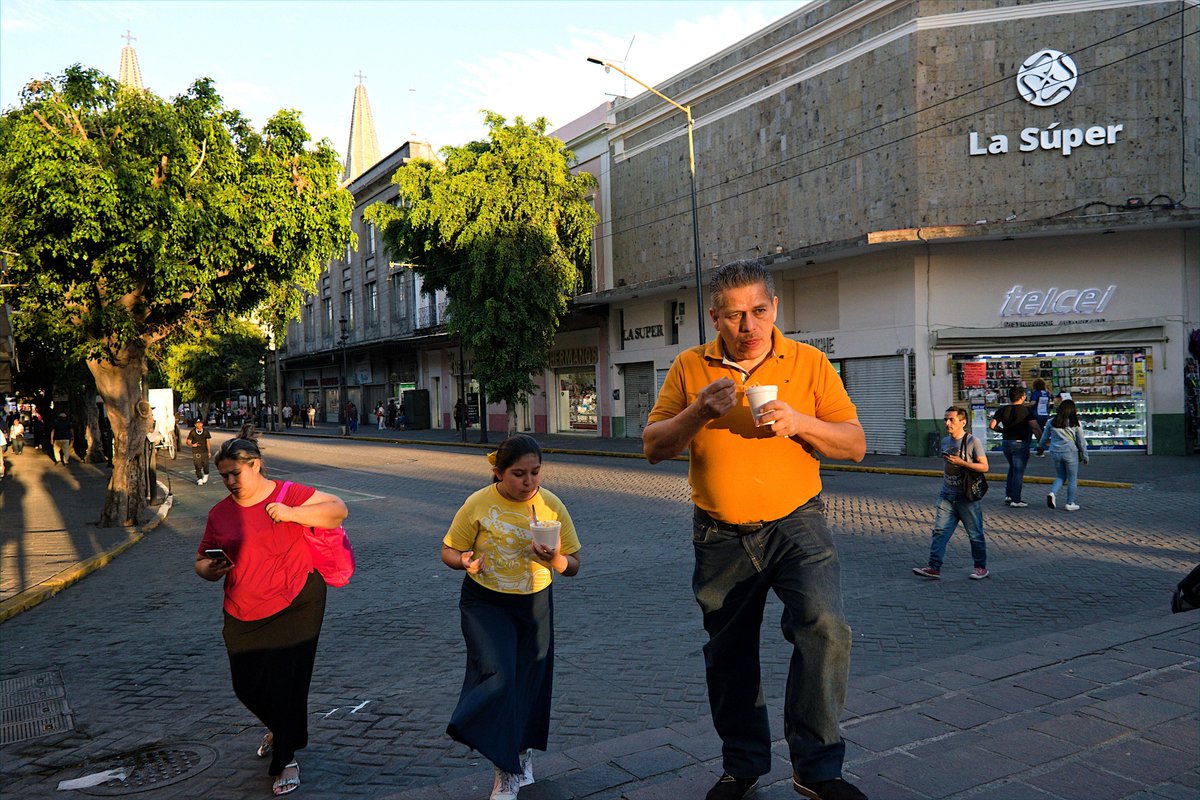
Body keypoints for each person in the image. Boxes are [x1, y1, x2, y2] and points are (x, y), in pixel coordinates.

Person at [642, 260, 868, 800]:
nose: (749, 327)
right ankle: (742, 766)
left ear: (775, 309)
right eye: (735, 315)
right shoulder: (688, 367)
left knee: (825, 627)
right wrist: (698, 412)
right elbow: (654, 447)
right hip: (720, 534)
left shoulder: (810, 363)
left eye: (759, 311)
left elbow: (854, 443)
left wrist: (801, 424)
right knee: (729, 653)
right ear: (715, 317)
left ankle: (817, 770)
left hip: (798, 523)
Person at [195, 437, 348, 797]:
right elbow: (200, 560)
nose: (231, 482)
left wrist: (293, 514)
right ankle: (283, 731)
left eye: (235, 473)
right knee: (246, 685)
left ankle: (286, 758)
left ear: (255, 465)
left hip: (298, 600)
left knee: (287, 684)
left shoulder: (288, 494)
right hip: (242, 607)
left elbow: (338, 509)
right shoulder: (219, 513)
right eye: (224, 476)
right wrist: (210, 570)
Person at [440, 434, 582, 800]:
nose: (529, 482)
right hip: (485, 602)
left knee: (529, 684)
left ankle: (520, 753)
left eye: (536, 472)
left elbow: (574, 566)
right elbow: (449, 551)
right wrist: (464, 561)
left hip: (534, 603)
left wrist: (554, 559)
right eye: (519, 474)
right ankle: (506, 770)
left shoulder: (551, 506)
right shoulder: (478, 503)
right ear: (498, 473)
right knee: (498, 676)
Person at [913, 406, 991, 580]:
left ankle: (980, 567)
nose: (947, 423)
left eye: (951, 420)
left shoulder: (972, 441)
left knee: (975, 534)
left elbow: (984, 467)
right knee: (940, 531)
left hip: (966, 497)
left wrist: (962, 462)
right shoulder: (945, 441)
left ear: (962, 422)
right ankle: (934, 567)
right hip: (947, 494)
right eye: (945, 419)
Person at [989, 387, 1041, 507]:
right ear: (1022, 397)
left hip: (1006, 442)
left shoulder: (1003, 409)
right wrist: (1041, 442)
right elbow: (1035, 427)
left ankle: (1008, 495)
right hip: (1020, 443)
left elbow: (992, 425)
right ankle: (1016, 499)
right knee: (1018, 471)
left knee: (1012, 468)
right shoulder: (1026, 411)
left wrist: (1002, 431)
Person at [1037, 399, 1089, 511]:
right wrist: (1085, 455)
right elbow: (1081, 441)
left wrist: (1040, 448)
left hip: (1055, 452)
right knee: (1072, 478)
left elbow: (1044, 438)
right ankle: (1069, 503)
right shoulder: (1075, 423)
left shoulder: (1051, 422)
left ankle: (1052, 493)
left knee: (1060, 476)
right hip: (1070, 452)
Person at [187, 418, 213, 485]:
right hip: (196, 452)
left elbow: (208, 442)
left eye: (200, 423)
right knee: (197, 466)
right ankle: (199, 478)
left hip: (204, 451)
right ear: (195, 425)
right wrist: (192, 445)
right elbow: (188, 441)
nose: (199, 425)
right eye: (198, 423)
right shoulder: (192, 432)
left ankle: (206, 475)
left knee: (206, 466)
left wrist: (209, 452)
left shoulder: (205, 432)